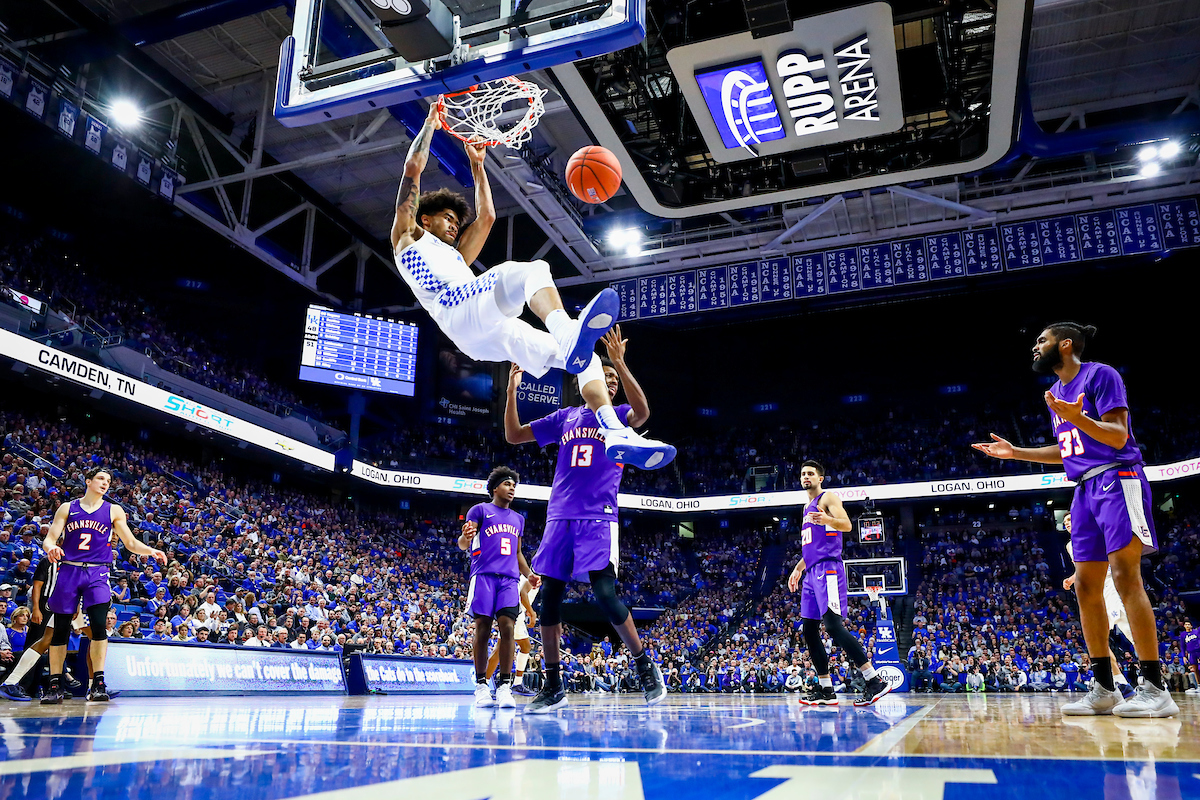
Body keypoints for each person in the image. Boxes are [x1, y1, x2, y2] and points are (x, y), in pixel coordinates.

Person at [389, 103, 674, 470]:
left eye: (457, 222)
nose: (455, 226)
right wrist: (430, 124)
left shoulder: (456, 256)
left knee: (585, 357)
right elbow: (413, 168)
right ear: (424, 219)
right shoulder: (407, 235)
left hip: (481, 334)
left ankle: (613, 429)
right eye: (447, 219)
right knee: (531, 271)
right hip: (455, 306)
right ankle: (568, 332)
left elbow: (487, 216)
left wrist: (478, 166)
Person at [972, 322, 1178, 718]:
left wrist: (1076, 417)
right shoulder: (1056, 394)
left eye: (1042, 340)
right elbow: (1068, 449)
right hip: (1083, 487)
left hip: (1118, 477)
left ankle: (1155, 686)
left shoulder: (1100, 375)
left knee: (1125, 576)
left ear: (1065, 345)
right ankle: (1104, 686)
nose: (1035, 346)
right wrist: (1017, 453)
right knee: (1086, 586)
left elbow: (1118, 436)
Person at [504, 328, 667, 714]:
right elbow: (513, 435)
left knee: (606, 596)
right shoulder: (565, 417)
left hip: (598, 516)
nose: (610, 383)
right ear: (585, 384)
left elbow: (643, 412)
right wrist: (512, 389)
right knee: (548, 602)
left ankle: (645, 666)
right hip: (559, 515)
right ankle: (553, 683)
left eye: (614, 381)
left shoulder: (619, 417)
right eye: (605, 378)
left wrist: (622, 364)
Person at [38, 467, 167, 704]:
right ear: (88, 481)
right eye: (100, 478)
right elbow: (50, 537)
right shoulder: (67, 507)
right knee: (61, 629)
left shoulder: (113, 510)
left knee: (98, 625)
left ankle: (98, 683)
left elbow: (130, 542)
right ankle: (55, 684)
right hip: (68, 568)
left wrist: (152, 550)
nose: (105, 483)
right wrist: (51, 548)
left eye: (108, 480)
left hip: (98, 571)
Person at [787, 461, 892, 707]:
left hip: (828, 570)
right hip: (811, 572)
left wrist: (826, 518)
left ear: (821, 478)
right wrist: (797, 568)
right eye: (803, 474)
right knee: (809, 630)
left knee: (833, 626)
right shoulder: (806, 507)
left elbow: (846, 525)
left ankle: (873, 679)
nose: (806, 477)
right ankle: (826, 689)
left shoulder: (828, 498)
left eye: (810, 473)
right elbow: (812, 548)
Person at [457, 467, 538, 710]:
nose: (512, 488)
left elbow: (518, 553)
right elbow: (464, 543)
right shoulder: (479, 510)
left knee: (508, 628)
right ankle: (481, 686)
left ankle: (504, 687)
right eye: (507, 484)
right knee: (482, 629)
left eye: (514, 485)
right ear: (495, 488)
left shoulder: (518, 519)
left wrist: (529, 574)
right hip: (482, 576)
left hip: (509, 580)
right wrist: (465, 537)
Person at [1062, 512, 1133, 696]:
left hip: (1112, 584)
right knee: (1096, 640)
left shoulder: (1094, 533)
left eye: (1070, 519)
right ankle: (1121, 683)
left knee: (1132, 632)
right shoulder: (1070, 546)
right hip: (1095, 591)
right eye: (1064, 522)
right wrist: (1071, 579)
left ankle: (1155, 679)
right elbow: (1082, 569)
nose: (1067, 523)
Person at [485, 572, 539, 696]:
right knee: (500, 649)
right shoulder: (534, 575)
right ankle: (483, 684)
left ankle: (517, 683)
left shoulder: (532, 575)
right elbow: (523, 594)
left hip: (515, 610)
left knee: (525, 647)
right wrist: (532, 612)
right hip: (515, 612)